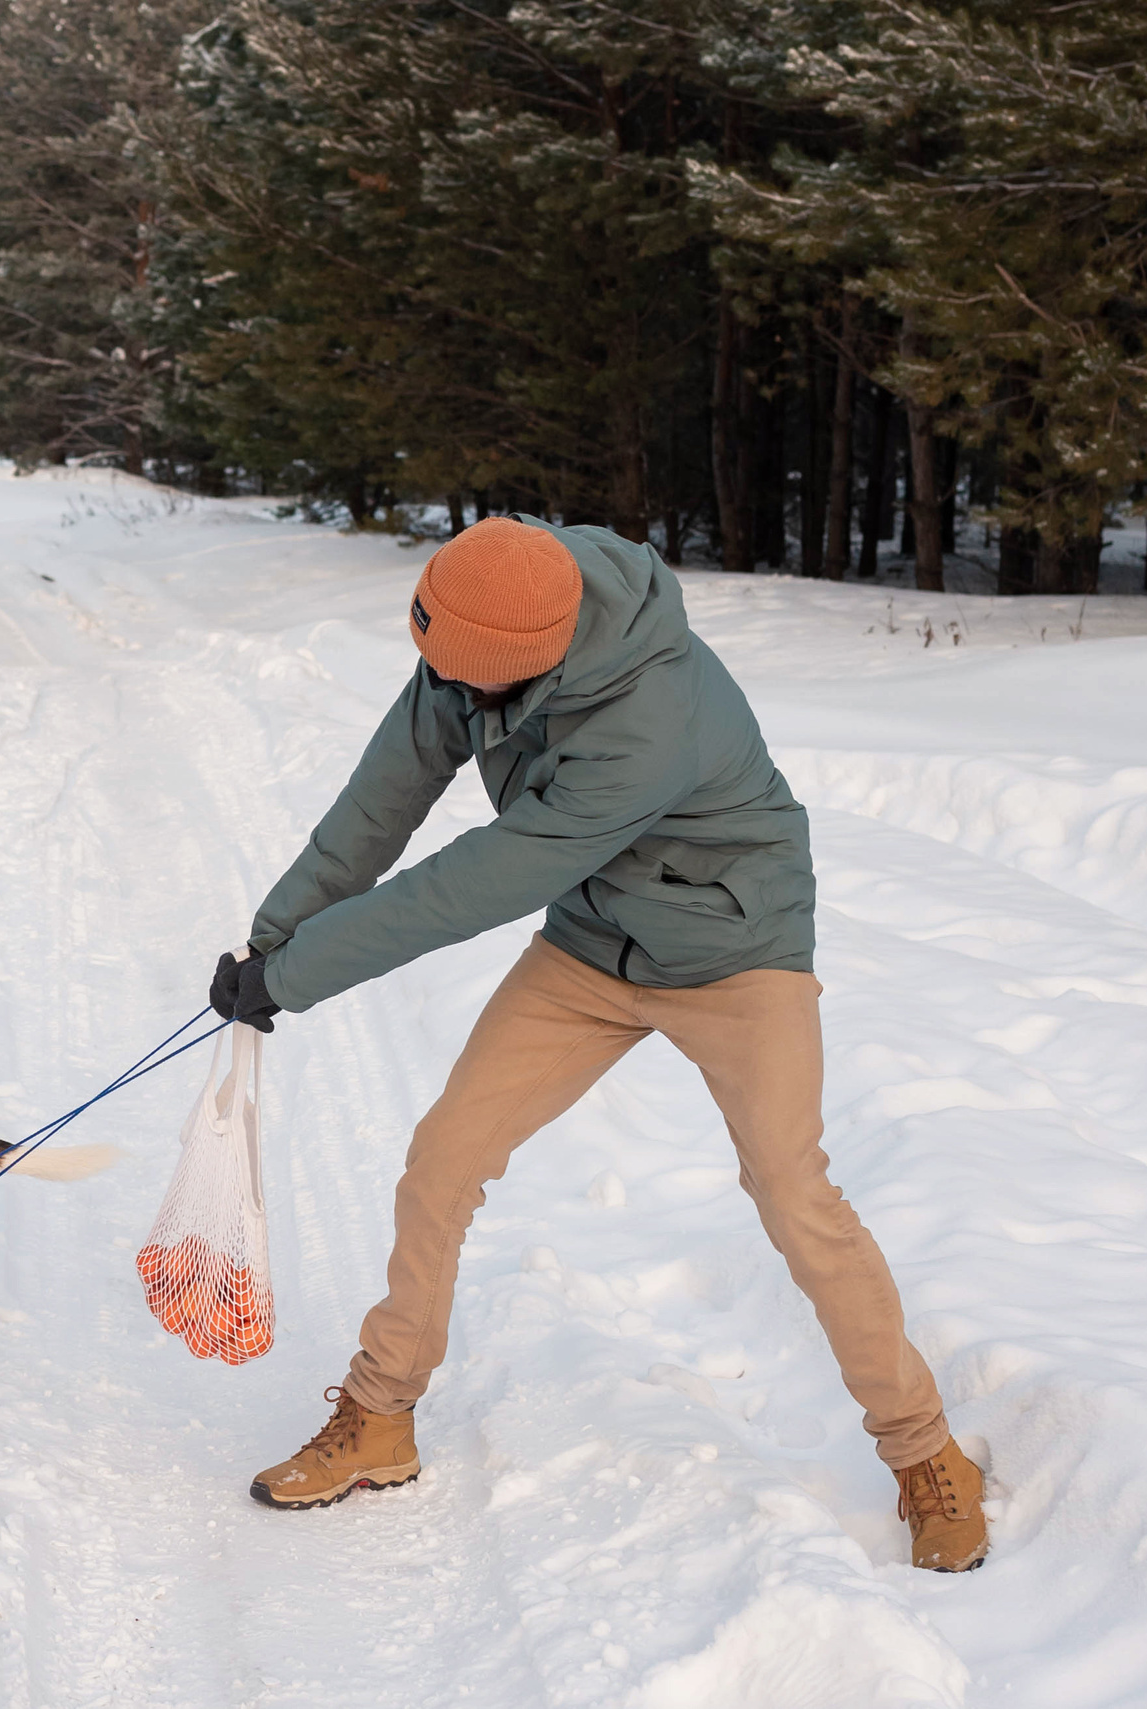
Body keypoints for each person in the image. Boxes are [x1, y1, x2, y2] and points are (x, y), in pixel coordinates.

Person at [210, 518, 987, 1571]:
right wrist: (273, 935)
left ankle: (923, 1450)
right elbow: (379, 802)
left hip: (732, 948)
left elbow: (478, 880)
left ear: (519, 664)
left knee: (792, 1192)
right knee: (444, 1156)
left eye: (454, 676)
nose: (436, 687)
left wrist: (299, 975)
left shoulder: (647, 715)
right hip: (592, 942)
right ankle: (377, 1416)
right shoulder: (483, 618)